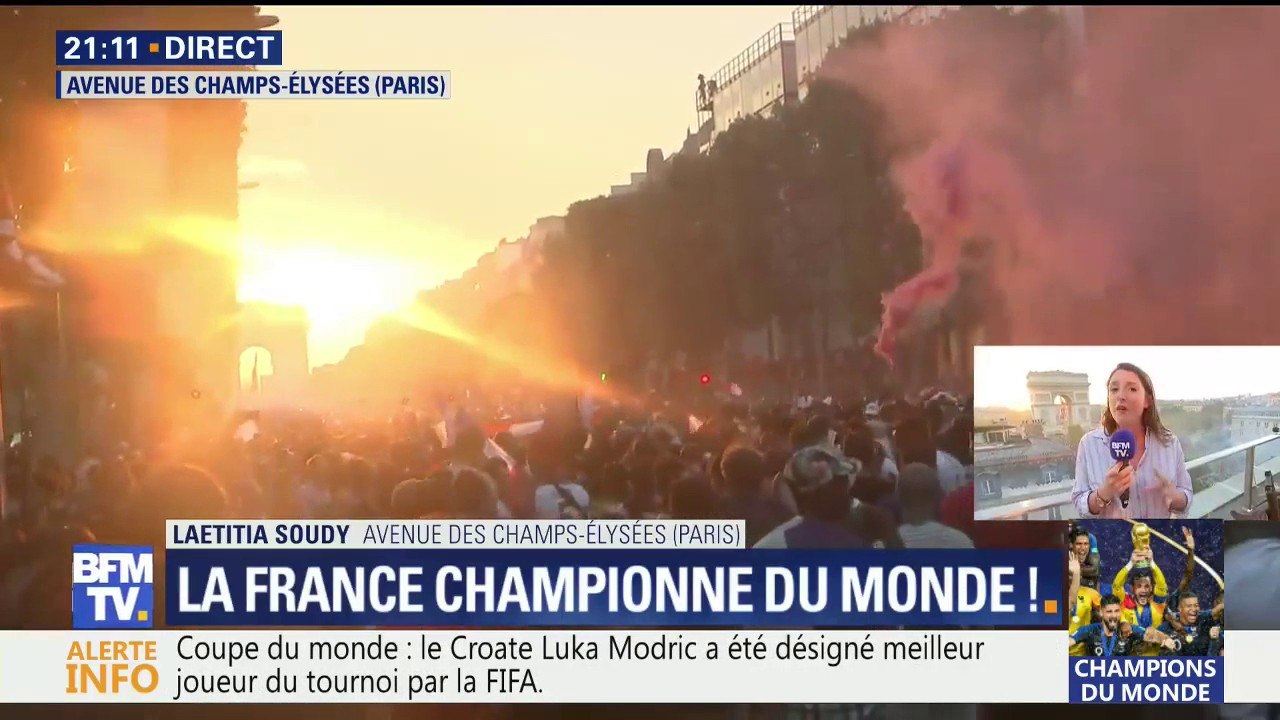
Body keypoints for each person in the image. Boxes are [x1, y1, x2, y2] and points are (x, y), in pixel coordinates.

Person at [1071, 362, 1193, 519]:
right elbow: (1079, 501)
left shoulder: (1169, 443)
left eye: (1132, 389)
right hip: (1111, 535)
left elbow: (1186, 495)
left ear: (1147, 401)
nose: (1120, 396)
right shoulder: (1089, 444)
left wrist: (1175, 497)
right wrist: (1103, 494)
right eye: (1114, 389)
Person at [1068, 594, 1141, 656]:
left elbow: (1147, 635)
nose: (1114, 615)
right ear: (1101, 612)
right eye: (1109, 612)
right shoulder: (1089, 630)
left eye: (1117, 611)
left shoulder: (1128, 630)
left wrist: (1148, 632)